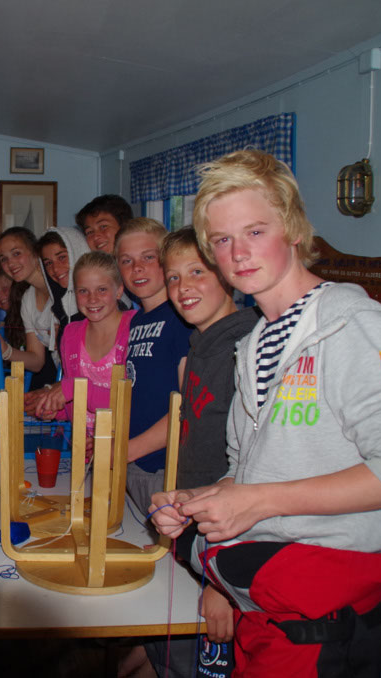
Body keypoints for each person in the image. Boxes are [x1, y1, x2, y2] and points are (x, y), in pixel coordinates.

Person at [149, 149, 381, 677]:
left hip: (324, 621)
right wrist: (200, 500)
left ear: (291, 228)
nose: (239, 253)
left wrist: (259, 501)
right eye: (223, 239)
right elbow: (248, 471)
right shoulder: (254, 343)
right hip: (262, 604)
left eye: (255, 231)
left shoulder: (356, 324)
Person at [120, 227, 258, 678]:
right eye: (175, 276)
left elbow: (252, 474)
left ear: (228, 275)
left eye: (197, 272)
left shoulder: (244, 348)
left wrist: (220, 582)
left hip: (223, 556)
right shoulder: (202, 342)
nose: (182, 288)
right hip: (191, 532)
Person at [114, 218, 191, 513]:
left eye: (148, 257)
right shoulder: (136, 320)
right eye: (127, 260)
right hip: (135, 462)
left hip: (165, 468)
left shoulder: (181, 317)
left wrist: (128, 450)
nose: (137, 268)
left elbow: (187, 406)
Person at [36, 252, 134, 437]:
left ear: (119, 290)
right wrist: (55, 409)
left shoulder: (135, 328)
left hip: (126, 446)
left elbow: (134, 402)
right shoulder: (70, 334)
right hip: (84, 447)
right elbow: (75, 403)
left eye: (102, 290)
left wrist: (74, 388)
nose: (92, 299)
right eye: (83, 291)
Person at [0, 227, 57, 394]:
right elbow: (36, 362)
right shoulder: (28, 300)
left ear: (35, 252)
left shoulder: (60, 284)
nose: (10, 263)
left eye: (16, 253)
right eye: (4, 259)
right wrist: (3, 348)